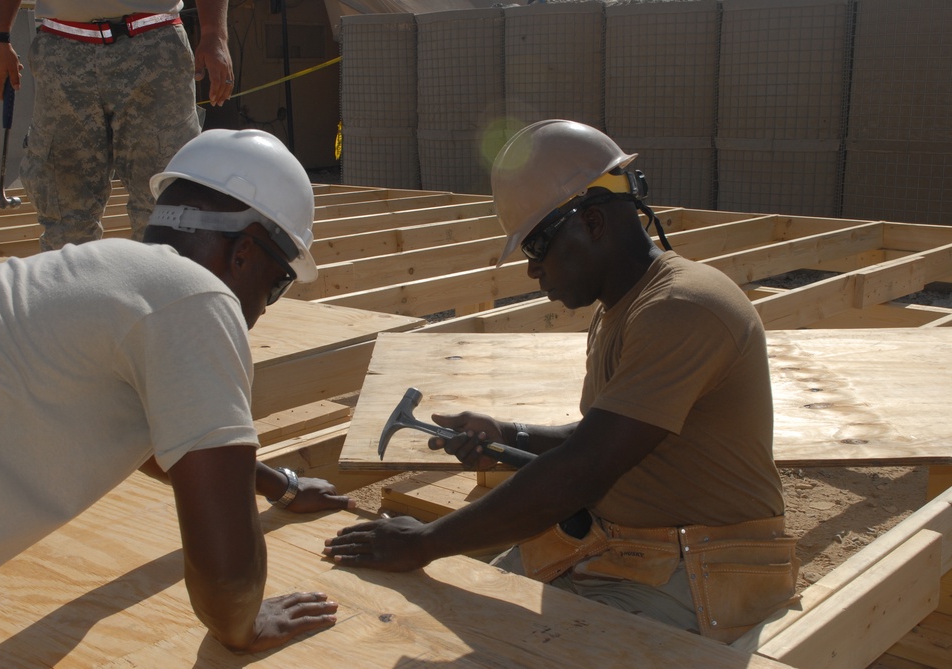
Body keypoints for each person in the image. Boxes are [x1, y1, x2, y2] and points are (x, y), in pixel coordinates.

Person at [323, 119, 799, 643]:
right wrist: (511, 434)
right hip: (624, 547)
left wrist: (426, 541)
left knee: (503, 647)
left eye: (537, 248)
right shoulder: (624, 306)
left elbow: (582, 471)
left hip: (703, 568)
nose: (533, 271)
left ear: (592, 222)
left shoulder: (683, 307)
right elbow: (603, 437)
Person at [0, 128, 352, 653]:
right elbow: (227, 578)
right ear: (245, 253)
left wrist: (280, 486)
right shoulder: (195, 299)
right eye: (276, 284)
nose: (263, 308)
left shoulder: (103, 275)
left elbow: (160, 435)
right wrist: (245, 623)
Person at [0, 0, 234, 251]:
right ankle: (73, 291)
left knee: (165, 211)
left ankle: (162, 288)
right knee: (65, 216)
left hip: (154, 47)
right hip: (63, 51)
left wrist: (214, 32)